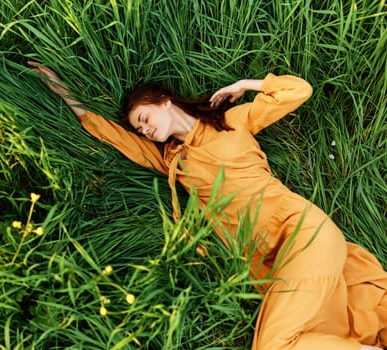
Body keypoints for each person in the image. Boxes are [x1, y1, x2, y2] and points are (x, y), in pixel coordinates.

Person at [28, 60, 387, 350]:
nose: (144, 131)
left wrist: (244, 85)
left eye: (145, 119)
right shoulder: (173, 162)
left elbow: (297, 91)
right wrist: (63, 91)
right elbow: (114, 137)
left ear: (163, 101)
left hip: (303, 231)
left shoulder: (231, 121)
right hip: (270, 264)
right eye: (140, 129)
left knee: (275, 344)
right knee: (328, 326)